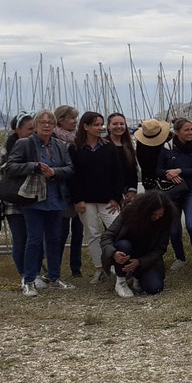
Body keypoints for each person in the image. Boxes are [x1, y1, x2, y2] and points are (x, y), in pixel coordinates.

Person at [3, 109, 76, 295]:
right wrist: (34, 167)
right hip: (32, 199)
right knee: (34, 240)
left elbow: (69, 169)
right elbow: (11, 167)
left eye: (50, 123)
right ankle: (29, 280)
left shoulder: (60, 145)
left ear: (54, 126)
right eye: (42, 122)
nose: (46, 125)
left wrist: (54, 172)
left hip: (55, 198)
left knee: (54, 238)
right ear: (35, 126)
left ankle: (54, 277)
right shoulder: (24, 144)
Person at [70, 111, 124, 283]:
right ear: (85, 127)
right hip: (85, 200)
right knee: (92, 234)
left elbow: (117, 174)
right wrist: (78, 199)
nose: (100, 127)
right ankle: (100, 268)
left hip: (108, 199)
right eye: (96, 124)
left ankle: (118, 266)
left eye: (101, 124)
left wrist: (117, 197)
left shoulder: (109, 147)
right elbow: (73, 176)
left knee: (117, 230)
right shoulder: (75, 148)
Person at [101, 191, 176, 297]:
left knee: (155, 288)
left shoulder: (166, 219)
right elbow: (106, 237)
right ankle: (121, 281)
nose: (157, 217)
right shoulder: (130, 212)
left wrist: (140, 262)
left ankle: (136, 277)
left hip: (145, 258)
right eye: (154, 214)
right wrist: (114, 253)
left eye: (160, 214)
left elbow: (160, 249)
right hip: (126, 251)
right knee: (123, 245)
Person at [0, 111, 35, 280]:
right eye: (29, 128)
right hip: (13, 202)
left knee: (35, 237)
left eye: (34, 128)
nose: (33, 131)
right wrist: (20, 172)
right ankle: (24, 273)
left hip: (34, 199)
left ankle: (35, 270)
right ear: (18, 129)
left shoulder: (38, 145)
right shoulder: (7, 148)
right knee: (20, 238)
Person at [157, 118, 192, 269]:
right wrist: (168, 174)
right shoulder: (166, 148)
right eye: (186, 130)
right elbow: (158, 170)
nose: (190, 132)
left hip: (189, 191)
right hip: (172, 193)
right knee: (174, 229)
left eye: (191, 129)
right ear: (177, 132)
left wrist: (180, 171)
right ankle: (180, 257)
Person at [53, 104, 84, 278]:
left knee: (79, 232)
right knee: (61, 232)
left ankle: (76, 268)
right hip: (62, 191)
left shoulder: (78, 138)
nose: (75, 121)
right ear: (61, 120)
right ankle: (55, 268)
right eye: (72, 118)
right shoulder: (54, 140)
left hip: (78, 190)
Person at [106, 113, 139, 205]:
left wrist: (132, 190)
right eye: (115, 124)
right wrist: (114, 197)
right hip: (109, 196)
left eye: (122, 124)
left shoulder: (128, 146)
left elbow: (133, 170)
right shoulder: (103, 146)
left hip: (127, 194)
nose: (119, 126)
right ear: (108, 126)